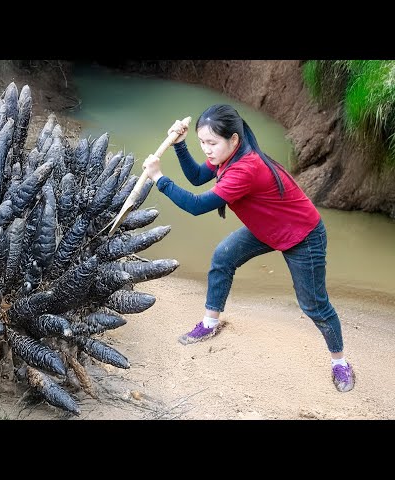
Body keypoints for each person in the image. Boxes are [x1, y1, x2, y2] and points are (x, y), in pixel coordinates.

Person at [141, 104, 355, 393]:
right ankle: (209, 323)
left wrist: (158, 179)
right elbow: (195, 178)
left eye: (211, 143)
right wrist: (180, 146)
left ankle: (339, 363)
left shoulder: (246, 168)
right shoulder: (226, 158)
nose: (206, 149)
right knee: (223, 257)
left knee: (314, 305)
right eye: (202, 142)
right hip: (267, 228)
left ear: (234, 140)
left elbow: (196, 206)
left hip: (302, 235)